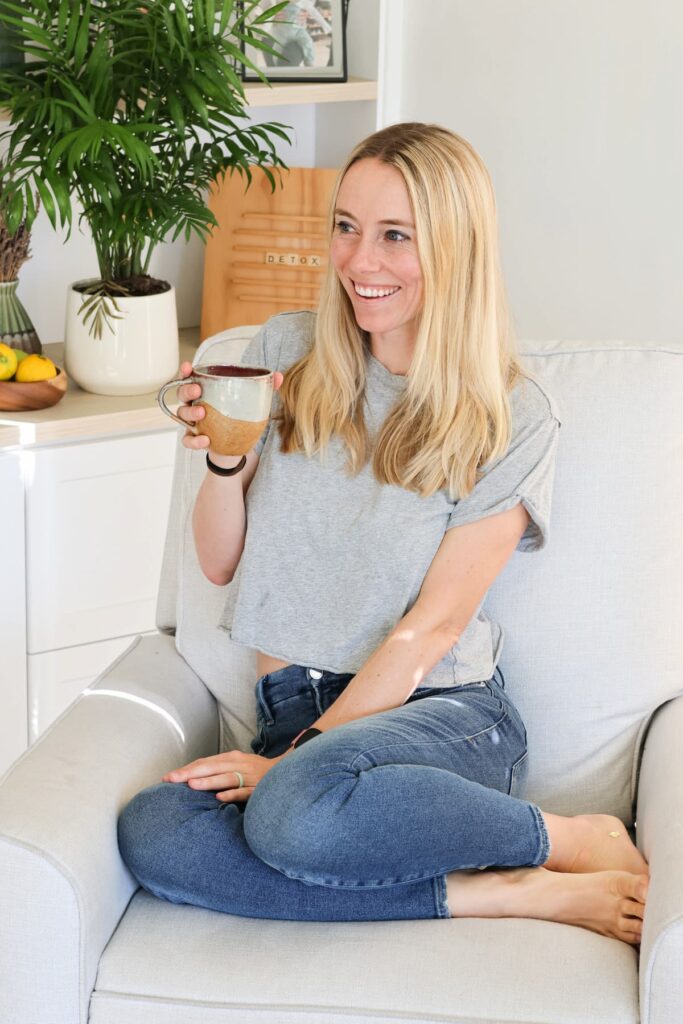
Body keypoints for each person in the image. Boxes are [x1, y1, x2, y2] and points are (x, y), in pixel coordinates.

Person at [118, 122, 649, 945]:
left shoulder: (510, 417)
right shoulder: (284, 353)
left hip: (440, 717)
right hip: (290, 713)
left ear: (455, 248)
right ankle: (500, 893)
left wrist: (290, 767)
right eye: (346, 227)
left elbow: (430, 630)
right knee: (155, 830)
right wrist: (224, 459)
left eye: (395, 235)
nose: (360, 261)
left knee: (293, 811)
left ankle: (568, 838)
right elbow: (219, 563)